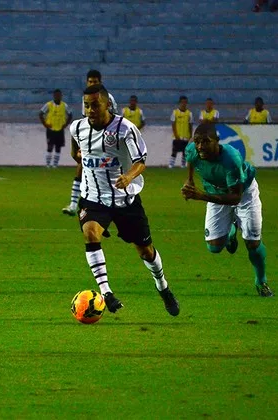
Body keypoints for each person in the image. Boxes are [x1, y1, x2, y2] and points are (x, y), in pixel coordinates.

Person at [69, 84, 180, 316]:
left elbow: (141, 160)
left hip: (125, 199)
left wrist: (128, 177)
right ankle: (107, 293)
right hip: (93, 198)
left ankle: (163, 287)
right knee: (90, 231)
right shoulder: (77, 128)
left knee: (145, 251)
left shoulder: (124, 129)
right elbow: (75, 152)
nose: (90, 110)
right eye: (86, 106)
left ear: (107, 104)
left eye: (95, 105)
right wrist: (80, 156)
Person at [181, 123, 273, 297]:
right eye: (197, 141)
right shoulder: (193, 149)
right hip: (215, 191)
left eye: (206, 142)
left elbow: (235, 197)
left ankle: (261, 281)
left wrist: (200, 196)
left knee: (252, 242)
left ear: (217, 141)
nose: (200, 146)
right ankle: (231, 230)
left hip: (244, 194)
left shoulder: (231, 159)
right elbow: (191, 160)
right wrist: (190, 180)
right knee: (214, 247)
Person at [62, 69, 119, 216]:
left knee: (106, 171)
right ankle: (74, 204)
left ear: (100, 82)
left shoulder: (108, 98)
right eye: (90, 81)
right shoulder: (85, 99)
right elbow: (86, 120)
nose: (92, 83)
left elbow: (114, 120)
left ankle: (110, 204)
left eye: (95, 81)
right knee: (81, 166)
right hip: (90, 139)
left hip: (107, 140)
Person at [39, 89, 73, 168]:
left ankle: (55, 164)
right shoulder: (48, 105)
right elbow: (41, 113)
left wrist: (65, 125)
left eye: (59, 95)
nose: (58, 97)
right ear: (54, 96)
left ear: (61, 96)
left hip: (60, 129)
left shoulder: (64, 105)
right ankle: (48, 164)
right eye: (56, 95)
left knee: (58, 147)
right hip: (51, 129)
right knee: (50, 146)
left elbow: (70, 115)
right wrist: (45, 124)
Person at [170, 95, 193, 168]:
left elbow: (190, 125)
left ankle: (183, 165)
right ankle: (171, 164)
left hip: (185, 136)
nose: (184, 104)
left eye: (185, 102)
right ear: (179, 103)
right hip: (177, 136)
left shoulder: (189, 113)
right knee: (174, 151)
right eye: (182, 102)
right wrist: (175, 134)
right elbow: (173, 125)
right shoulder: (175, 112)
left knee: (184, 152)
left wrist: (190, 135)